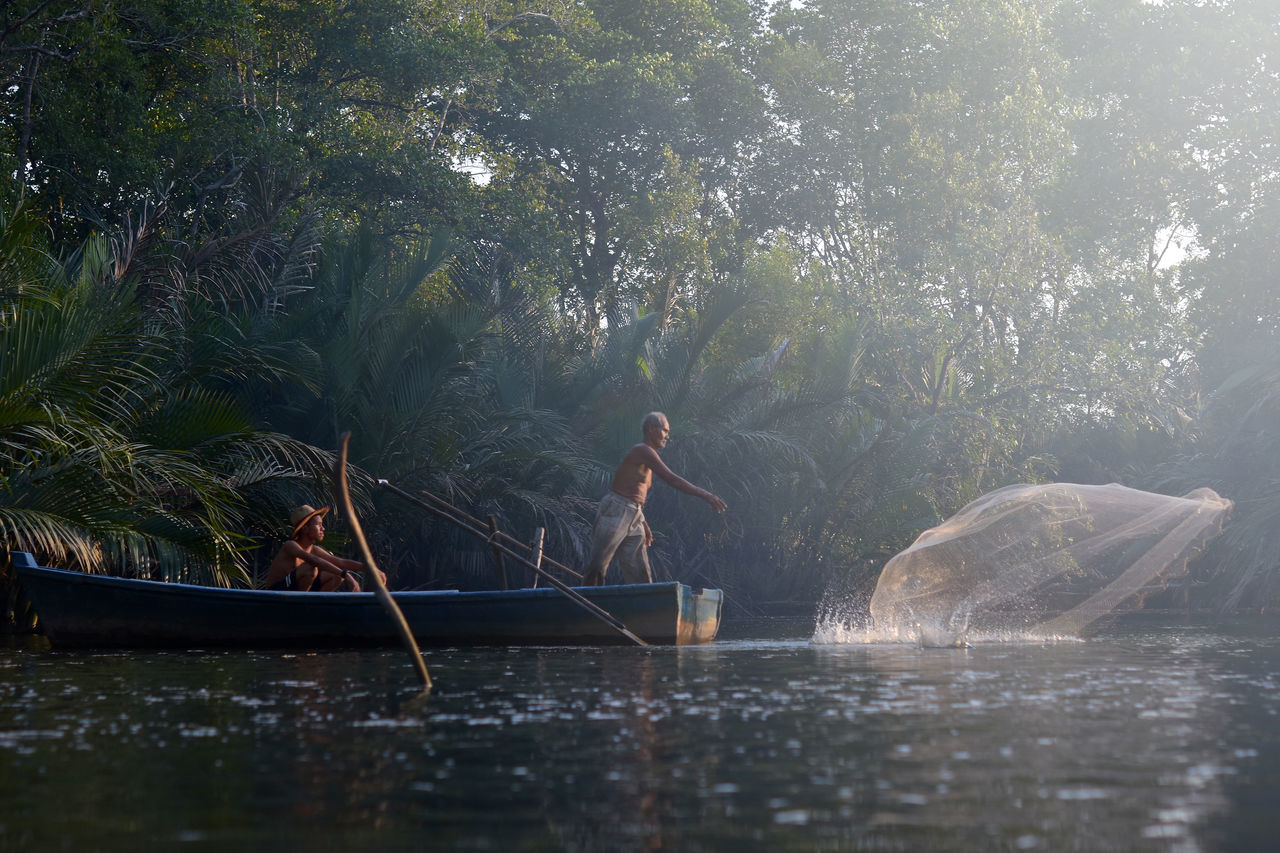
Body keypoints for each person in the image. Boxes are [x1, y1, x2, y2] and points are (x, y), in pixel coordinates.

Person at [581, 412, 726, 585]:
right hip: (616, 509)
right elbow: (672, 479)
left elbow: (636, 497)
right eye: (665, 430)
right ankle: (587, 604)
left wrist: (643, 523)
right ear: (651, 429)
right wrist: (706, 495)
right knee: (598, 565)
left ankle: (644, 609)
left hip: (635, 514)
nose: (667, 436)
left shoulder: (648, 458)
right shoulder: (642, 450)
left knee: (640, 572)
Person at [263, 505, 384, 592]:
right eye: (318, 525)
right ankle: (302, 607)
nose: (323, 529)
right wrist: (347, 576)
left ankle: (314, 606)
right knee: (310, 568)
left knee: (336, 574)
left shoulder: (314, 549)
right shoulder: (290, 545)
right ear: (305, 529)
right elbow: (314, 561)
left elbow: (341, 562)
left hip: (296, 591)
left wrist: (371, 569)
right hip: (276, 592)